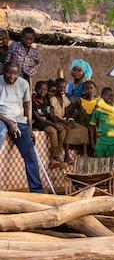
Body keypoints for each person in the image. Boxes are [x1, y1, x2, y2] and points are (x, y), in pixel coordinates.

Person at [0, 62, 43, 193]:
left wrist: (29, 128)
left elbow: (27, 106)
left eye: (15, 73)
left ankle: (37, 191)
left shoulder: (24, 83)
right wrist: (10, 123)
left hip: (19, 120)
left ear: (19, 74)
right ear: (4, 71)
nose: (11, 76)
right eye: (8, 72)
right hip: (1, 118)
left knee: (30, 154)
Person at [31, 79, 65, 167]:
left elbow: (51, 115)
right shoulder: (33, 100)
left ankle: (57, 154)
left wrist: (57, 123)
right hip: (38, 123)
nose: (42, 91)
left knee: (62, 130)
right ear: (35, 89)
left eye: (45, 89)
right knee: (52, 130)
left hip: (48, 121)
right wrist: (53, 124)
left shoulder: (47, 100)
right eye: (40, 89)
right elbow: (37, 117)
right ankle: (54, 157)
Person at [90, 87, 114, 158]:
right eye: (106, 95)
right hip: (100, 142)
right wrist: (92, 142)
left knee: (111, 165)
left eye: (111, 95)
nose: (110, 97)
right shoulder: (98, 110)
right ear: (102, 97)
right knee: (98, 164)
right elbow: (92, 126)